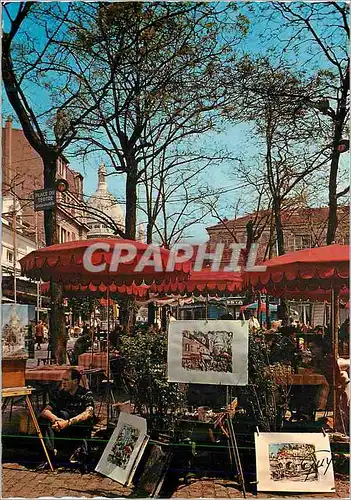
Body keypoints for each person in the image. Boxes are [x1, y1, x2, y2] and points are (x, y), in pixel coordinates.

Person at [39, 368, 94, 471]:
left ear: (75, 381)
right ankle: (49, 456)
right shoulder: (60, 393)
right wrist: (56, 420)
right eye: (62, 380)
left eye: (66, 380)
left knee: (71, 416)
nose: (63, 382)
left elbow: (88, 413)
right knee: (44, 420)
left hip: (78, 426)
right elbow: (45, 411)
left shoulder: (86, 393)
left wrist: (67, 423)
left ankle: (79, 454)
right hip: (62, 425)